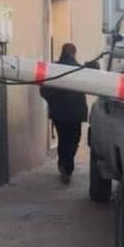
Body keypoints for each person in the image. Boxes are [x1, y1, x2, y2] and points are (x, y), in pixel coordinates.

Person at [40, 43, 88, 184]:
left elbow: (44, 91)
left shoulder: (53, 68)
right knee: (74, 140)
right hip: (75, 114)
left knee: (63, 140)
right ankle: (67, 166)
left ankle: (64, 166)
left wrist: (53, 101)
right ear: (74, 53)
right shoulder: (80, 69)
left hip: (59, 113)